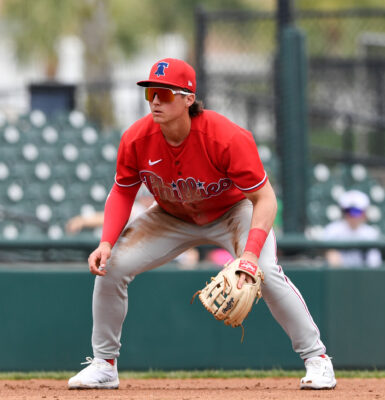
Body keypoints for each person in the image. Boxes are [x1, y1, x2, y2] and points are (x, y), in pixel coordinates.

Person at [68, 58, 336, 390]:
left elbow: (265, 198)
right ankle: (104, 364)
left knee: (265, 270)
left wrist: (249, 256)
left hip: (232, 212)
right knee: (112, 266)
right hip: (171, 215)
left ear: (188, 98)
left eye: (164, 94)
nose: (154, 100)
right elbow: (122, 192)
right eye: (151, 92)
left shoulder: (225, 137)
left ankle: (317, 359)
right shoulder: (136, 138)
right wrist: (106, 242)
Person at [323, 190, 382, 268]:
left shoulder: (371, 233)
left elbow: (374, 265)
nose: (352, 216)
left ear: (364, 213)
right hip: (338, 276)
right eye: (348, 211)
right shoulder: (332, 230)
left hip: (363, 277)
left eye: (357, 212)